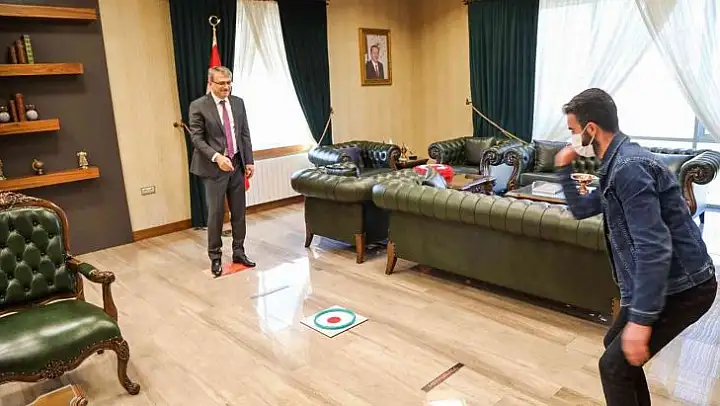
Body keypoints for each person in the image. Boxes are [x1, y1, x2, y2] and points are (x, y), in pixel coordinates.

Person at [553, 88, 717, 405]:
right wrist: (563, 167)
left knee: (614, 367)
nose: (571, 140)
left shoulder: (628, 167)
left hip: (686, 287)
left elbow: (653, 247)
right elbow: (582, 209)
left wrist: (641, 321)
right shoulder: (615, 164)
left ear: (590, 129)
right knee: (616, 355)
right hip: (668, 281)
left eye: (573, 131)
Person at [189, 66, 256, 277]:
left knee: (239, 212)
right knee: (216, 214)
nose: (226, 87)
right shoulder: (198, 106)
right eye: (221, 83)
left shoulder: (238, 103)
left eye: (228, 83)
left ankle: (239, 252)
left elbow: (244, 133)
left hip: (236, 165)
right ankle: (215, 257)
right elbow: (197, 139)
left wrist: (249, 161)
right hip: (213, 168)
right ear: (211, 84)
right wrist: (217, 157)